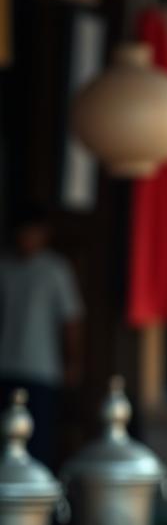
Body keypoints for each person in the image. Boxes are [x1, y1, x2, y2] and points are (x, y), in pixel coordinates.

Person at [0, 200, 84, 470]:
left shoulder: (55, 270)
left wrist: (72, 361)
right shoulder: (5, 267)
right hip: (6, 365)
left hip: (43, 369)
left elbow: (71, 319)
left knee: (41, 445)